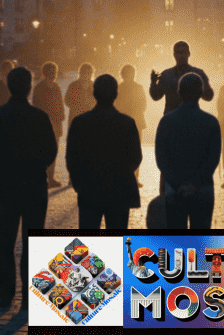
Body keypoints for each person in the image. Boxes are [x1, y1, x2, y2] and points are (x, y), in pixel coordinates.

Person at [0, 66, 58, 310]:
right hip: (35, 184)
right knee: (33, 241)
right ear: (29, 87)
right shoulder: (40, 117)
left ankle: (6, 295)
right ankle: (30, 297)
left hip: (7, 184)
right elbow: (50, 152)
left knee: (5, 241)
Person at [66, 74, 142, 229]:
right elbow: (136, 157)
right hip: (119, 190)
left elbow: (72, 158)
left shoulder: (79, 122)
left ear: (94, 94)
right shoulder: (127, 123)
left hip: (89, 189)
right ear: (115, 94)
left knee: (87, 246)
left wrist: (79, 183)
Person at [155, 73, 222, 229]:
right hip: (202, 188)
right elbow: (213, 158)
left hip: (174, 188)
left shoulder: (166, 121)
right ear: (200, 93)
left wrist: (177, 183)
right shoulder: (211, 122)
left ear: (179, 92)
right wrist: (195, 183)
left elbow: (161, 158)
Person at [150, 41, 214, 115]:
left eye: (183, 52)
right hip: (173, 119)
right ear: (174, 55)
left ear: (188, 54)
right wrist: (153, 83)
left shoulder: (198, 73)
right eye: (178, 52)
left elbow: (209, 96)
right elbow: (156, 96)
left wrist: (201, 87)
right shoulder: (167, 74)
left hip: (190, 118)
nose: (181, 56)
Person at [31, 61, 66, 188]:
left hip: (55, 125)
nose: (55, 75)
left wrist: (60, 118)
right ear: (47, 73)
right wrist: (48, 115)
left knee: (53, 152)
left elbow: (61, 105)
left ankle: (50, 178)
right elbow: (37, 105)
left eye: (55, 72)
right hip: (44, 126)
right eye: (53, 72)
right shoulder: (39, 88)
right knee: (43, 153)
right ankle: (43, 178)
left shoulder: (56, 86)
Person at [116, 64, 149, 188]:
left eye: (132, 73)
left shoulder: (139, 87)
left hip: (137, 123)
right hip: (122, 124)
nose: (130, 75)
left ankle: (135, 178)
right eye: (127, 73)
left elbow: (144, 104)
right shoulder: (118, 88)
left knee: (136, 151)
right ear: (123, 74)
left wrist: (135, 111)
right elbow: (115, 105)